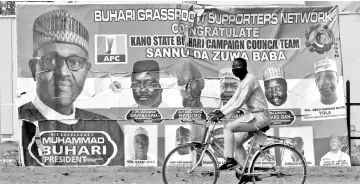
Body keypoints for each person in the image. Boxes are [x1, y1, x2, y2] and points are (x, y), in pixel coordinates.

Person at [18, 9, 124, 166]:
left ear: (86, 70)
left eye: (74, 62)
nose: (63, 72)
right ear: (34, 68)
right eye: (52, 60)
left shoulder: (108, 127)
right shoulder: (20, 120)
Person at [208, 58, 271, 173]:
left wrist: (222, 114)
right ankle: (245, 173)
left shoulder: (249, 80)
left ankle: (230, 160)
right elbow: (233, 99)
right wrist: (219, 111)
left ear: (245, 67)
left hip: (259, 117)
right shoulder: (243, 81)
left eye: (239, 66)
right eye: (234, 66)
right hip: (253, 116)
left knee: (228, 127)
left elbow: (239, 102)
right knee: (236, 143)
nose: (236, 68)